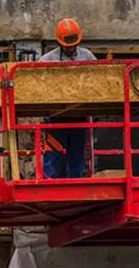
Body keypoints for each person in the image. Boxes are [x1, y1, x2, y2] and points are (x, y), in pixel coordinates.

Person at [40, 18, 97, 179]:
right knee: (53, 155)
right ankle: (49, 184)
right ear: (60, 42)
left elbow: (98, 81)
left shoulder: (88, 57)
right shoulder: (47, 60)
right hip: (56, 117)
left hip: (79, 116)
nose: (71, 46)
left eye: (73, 42)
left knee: (77, 155)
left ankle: (76, 182)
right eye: (67, 43)